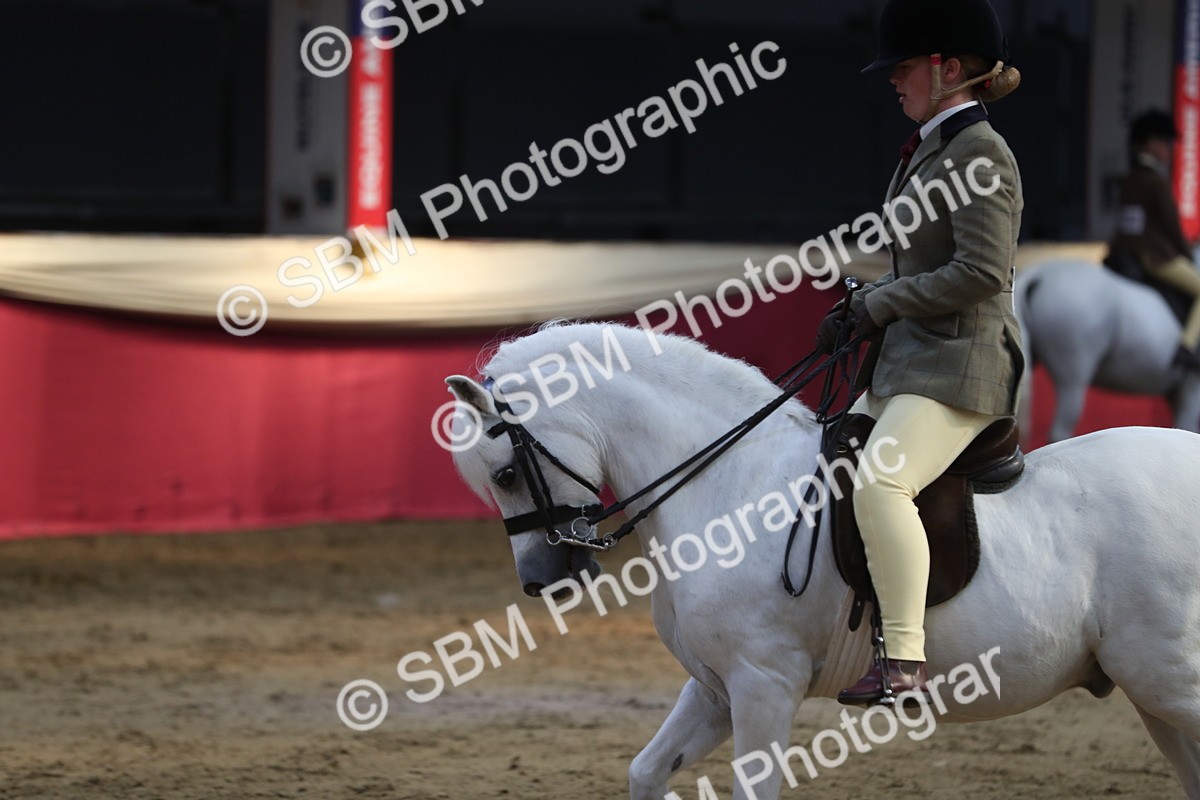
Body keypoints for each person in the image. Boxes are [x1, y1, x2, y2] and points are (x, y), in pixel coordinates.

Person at [815, 0, 1025, 705]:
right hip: (914, 357)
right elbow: (920, 267)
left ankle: (904, 659)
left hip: (962, 362)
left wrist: (882, 301)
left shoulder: (981, 153)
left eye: (904, 67)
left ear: (949, 69)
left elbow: (981, 273)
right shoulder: (932, 150)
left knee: (880, 482)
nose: (892, 80)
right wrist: (862, 306)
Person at [1106, 110, 1200, 370]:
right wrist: (1189, 255)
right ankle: (1187, 347)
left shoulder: (1129, 179)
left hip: (1122, 252)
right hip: (1153, 256)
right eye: (1164, 142)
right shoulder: (1156, 182)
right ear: (1149, 143)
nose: (1168, 149)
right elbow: (1172, 229)